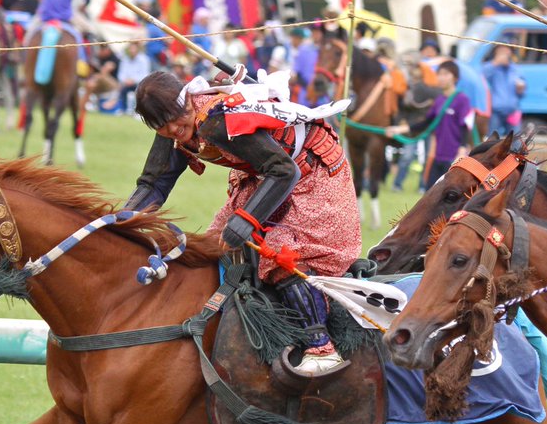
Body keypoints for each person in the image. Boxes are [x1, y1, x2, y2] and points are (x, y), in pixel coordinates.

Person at [125, 68, 360, 376]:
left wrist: (247, 219)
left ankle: (321, 347)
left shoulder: (214, 121)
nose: (172, 128)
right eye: (161, 125)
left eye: (175, 116)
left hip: (311, 173)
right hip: (265, 176)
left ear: (186, 100)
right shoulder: (171, 128)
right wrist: (120, 222)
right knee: (213, 245)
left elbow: (284, 170)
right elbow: (155, 183)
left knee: (278, 252)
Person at [386, 61, 472, 188]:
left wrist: (462, 149)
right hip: (438, 156)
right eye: (439, 74)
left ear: (455, 78)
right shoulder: (439, 100)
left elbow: (465, 126)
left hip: (454, 158)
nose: (441, 78)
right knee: (431, 192)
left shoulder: (462, 100)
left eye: (446, 74)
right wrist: (399, 129)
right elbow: (426, 123)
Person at [25, 0, 89, 62]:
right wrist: (81, 8)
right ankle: (84, 62)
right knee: (90, 31)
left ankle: (22, 63)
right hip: (68, 16)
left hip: (44, 15)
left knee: (27, 38)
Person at [481, 43, 525, 135]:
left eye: (506, 50)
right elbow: (481, 78)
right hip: (495, 111)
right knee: (492, 140)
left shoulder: (515, 69)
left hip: (513, 110)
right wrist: (495, 63)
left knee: (515, 141)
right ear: (496, 52)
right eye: (501, 51)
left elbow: (522, 93)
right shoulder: (490, 67)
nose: (504, 53)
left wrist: (521, 89)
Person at [112, 42, 151, 115]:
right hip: (126, 83)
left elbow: (145, 75)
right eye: (130, 48)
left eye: (133, 48)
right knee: (121, 89)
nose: (132, 50)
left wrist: (133, 80)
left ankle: (138, 112)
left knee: (141, 91)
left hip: (139, 84)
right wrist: (125, 80)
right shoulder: (125, 59)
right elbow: (121, 74)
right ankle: (123, 109)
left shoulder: (144, 59)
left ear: (137, 49)